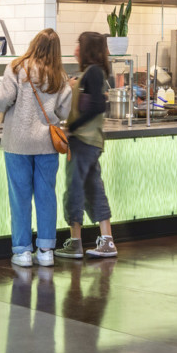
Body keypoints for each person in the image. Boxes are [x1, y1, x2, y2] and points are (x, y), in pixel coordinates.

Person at [0, 29, 72, 268]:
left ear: (34, 44)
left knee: (20, 197)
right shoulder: (59, 75)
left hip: (18, 143)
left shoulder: (16, 68)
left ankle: (23, 251)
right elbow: (64, 111)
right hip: (47, 143)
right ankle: (46, 250)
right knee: (46, 196)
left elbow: (3, 101)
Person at [59, 31, 117, 260]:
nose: (75, 48)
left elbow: (96, 106)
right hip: (91, 141)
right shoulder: (94, 73)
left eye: (78, 44)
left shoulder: (92, 72)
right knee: (94, 189)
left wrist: (71, 128)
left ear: (87, 49)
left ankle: (75, 243)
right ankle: (107, 240)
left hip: (83, 141)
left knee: (74, 190)